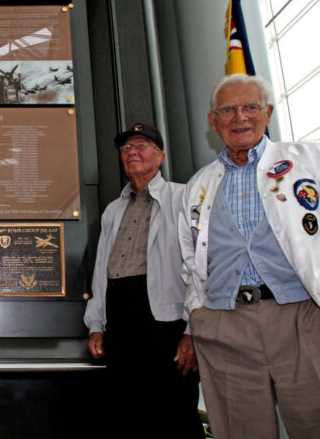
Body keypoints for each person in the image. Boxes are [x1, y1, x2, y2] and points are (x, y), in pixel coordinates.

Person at [179, 74, 320, 438]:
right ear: (213, 122)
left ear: (269, 113)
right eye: (227, 110)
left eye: (250, 107)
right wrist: (198, 313)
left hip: (303, 316)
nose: (239, 117)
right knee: (240, 429)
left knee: (318, 420)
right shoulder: (198, 185)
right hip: (226, 324)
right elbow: (189, 259)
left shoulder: (312, 161)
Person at [85, 123, 203, 438]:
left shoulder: (183, 197)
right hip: (121, 324)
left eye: (141, 145)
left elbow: (202, 267)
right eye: (126, 149)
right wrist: (96, 324)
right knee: (126, 413)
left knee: (174, 415)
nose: (132, 152)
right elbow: (101, 272)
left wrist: (192, 331)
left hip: (167, 326)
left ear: (160, 155)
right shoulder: (113, 210)